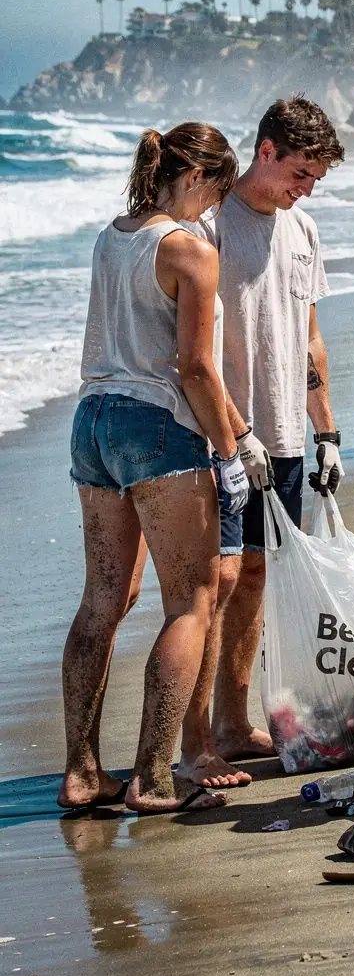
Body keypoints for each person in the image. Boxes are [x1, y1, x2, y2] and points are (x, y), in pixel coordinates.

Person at [60, 123, 248, 814]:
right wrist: (230, 449)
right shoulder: (189, 251)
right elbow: (195, 368)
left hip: (92, 423)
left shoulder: (112, 235)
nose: (213, 209)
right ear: (198, 178)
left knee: (103, 598)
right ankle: (153, 778)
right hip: (156, 428)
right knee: (190, 602)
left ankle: (81, 771)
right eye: (216, 193)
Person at [179, 97, 346, 784]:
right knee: (215, 586)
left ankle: (233, 722)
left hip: (282, 438)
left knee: (256, 578)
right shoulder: (213, 225)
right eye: (300, 173)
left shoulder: (303, 229)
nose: (306, 189)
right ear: (267, 151)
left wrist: (327, 431)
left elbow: (309, 339)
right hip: (223, 436)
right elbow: (191, 348)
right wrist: (231, 435)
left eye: (315, 179)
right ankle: (197, 741)